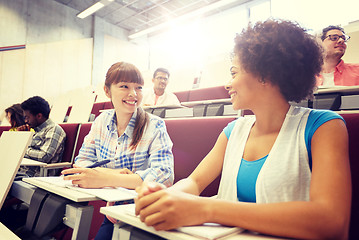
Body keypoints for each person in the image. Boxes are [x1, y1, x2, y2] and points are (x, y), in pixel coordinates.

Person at [135, 19, 351, 240]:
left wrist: (207, 209)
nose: (228, 84)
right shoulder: (234, 130)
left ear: (264, 75)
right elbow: (195, 182)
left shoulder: (324, 126)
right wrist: (163, 199)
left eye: (234, 73)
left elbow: (332, 222)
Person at [62, 62, 174, 240]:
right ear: (107, 91)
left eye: (138, 87)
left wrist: (108, 178)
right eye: (124, 86)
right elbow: (82, 161)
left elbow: (165, 174)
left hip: (143, 213)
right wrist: (112, 173)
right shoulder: (102, 120)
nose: (133, 94)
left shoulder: (155, 125)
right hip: (112, 210)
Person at [17, 96, 66, 177]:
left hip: (35, 175)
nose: (25, 121)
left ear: (39, 116)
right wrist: (22, 137)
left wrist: (23, 150)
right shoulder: (36, 131)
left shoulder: (54, 129)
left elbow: (44, 156)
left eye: (27, 117)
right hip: (23, 172)